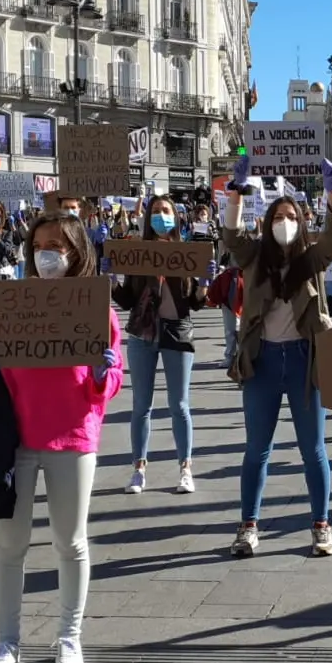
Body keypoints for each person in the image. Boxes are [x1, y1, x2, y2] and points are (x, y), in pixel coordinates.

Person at [0, 211, 122, 663]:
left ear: (78, 252)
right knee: (9, 545)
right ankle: (8, 642)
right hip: (13, 440)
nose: (50, 254)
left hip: (72, 434)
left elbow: (111, 378)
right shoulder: (12, 305)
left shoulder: (97, 309)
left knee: (71, 543)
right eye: (42, 245)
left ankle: (70, 636)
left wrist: (105, 375)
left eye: (60, 246)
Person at [221, 155, 332, 558]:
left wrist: (331, 193)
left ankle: (321, 526)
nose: (284, 222)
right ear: (267, 221)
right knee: (257, 448)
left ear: (301, 220)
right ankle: (248, 526)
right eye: (278, 216)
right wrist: (237, 195)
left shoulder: (311, 258)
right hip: (262, 362)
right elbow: (232, 236)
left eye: (291, 215)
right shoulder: (254, 257)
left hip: (304, 362)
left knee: (313, 450)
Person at [111, 196, 210, 495]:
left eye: (165, 211)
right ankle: (138, 469)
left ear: (176, 218)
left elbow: (195, 302)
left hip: (176, 333)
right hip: (143, 335)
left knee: (179, 405)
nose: (160, 216)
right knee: (141, 406)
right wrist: (112, 281)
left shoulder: (187, 254)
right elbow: (127, 299)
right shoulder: (139, 255)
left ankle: (185, 468)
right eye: (155, 211)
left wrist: (204, 281)